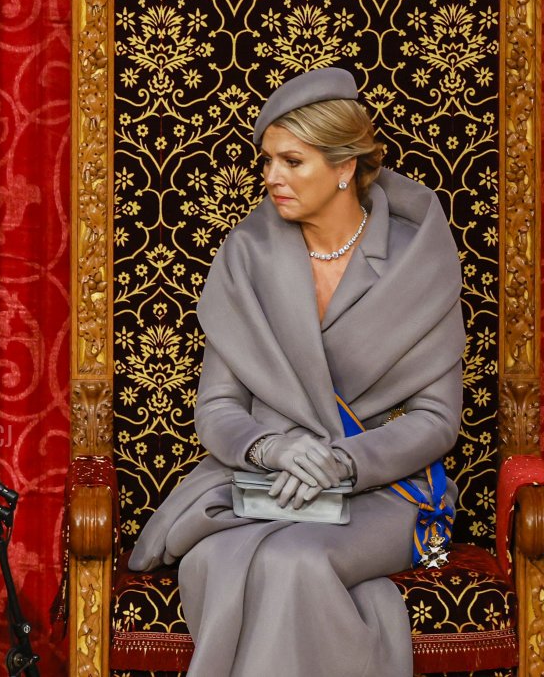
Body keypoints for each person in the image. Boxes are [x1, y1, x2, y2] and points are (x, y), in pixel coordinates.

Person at [127, 68, 464, 677]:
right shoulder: (247, 256)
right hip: (269, 488)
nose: (271, 179)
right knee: (229, 561)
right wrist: (271, 447)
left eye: (292, 161)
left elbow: (437, 421)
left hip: (385, 494)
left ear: (344, 168)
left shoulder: (418, 259)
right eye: (267, 162)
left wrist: (346, 461)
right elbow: (218, 407)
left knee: (292, 566)